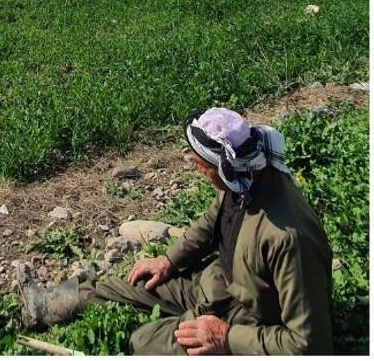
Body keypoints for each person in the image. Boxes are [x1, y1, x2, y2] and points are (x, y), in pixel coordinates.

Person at [20, 107, 333, 354]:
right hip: (215, 286)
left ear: (220, 165)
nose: (195, 167)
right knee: (130, 285)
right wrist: (169, 261)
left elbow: (309, 345)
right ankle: (45, 305)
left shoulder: (288, 239)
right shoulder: (244, 179)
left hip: (246, 317)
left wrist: (226, 338)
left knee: (142, 342)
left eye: (200, 163)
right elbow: (213, 221)